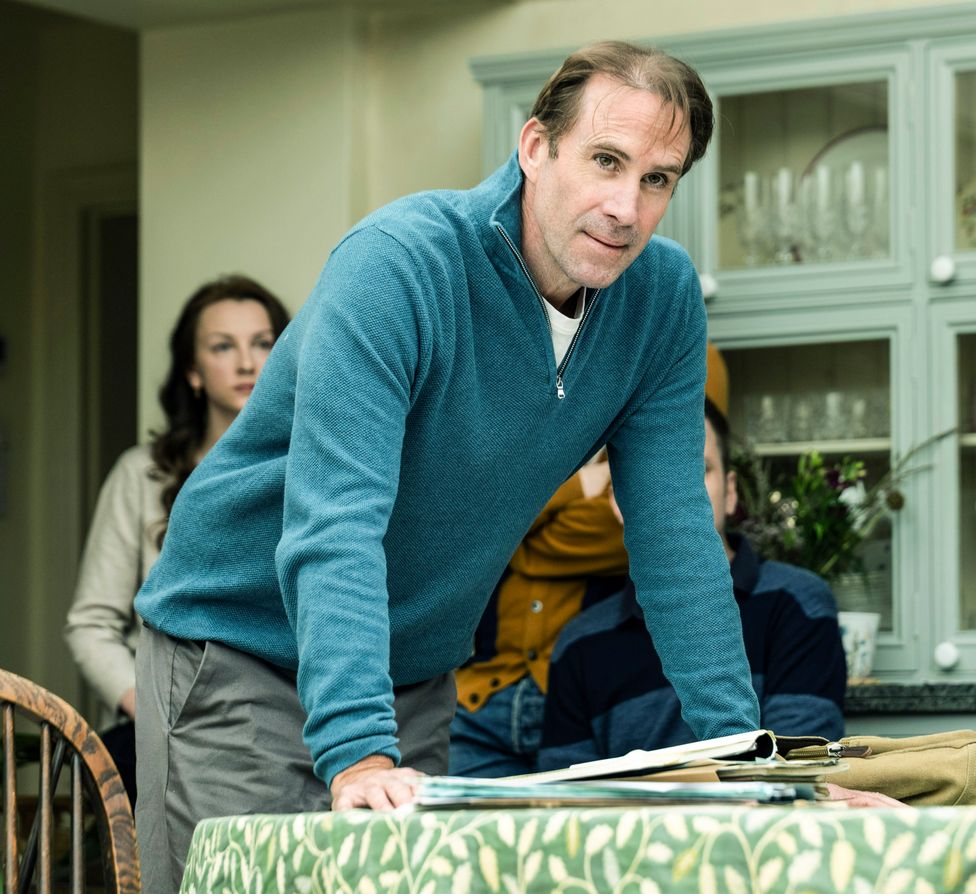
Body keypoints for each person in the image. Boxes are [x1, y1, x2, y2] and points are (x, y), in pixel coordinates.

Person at [133, 41, 762, 891]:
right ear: (535, 147)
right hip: (241, 647)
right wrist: (358, 751)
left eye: (658, 179)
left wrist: (740, 756)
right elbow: (335, 521)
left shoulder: (661, 301)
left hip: (412, 674)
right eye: (606, 161)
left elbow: (676, 532)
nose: (626, 206)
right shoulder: (398, 265)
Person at [450, 343, 730, 777]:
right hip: (481, 697)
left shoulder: (687, 346)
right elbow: (481, 518)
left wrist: (522, 527)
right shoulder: (521, 345)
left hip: (586, 698)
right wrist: (582, 482)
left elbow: (661, 512)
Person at [64, 275, 290, 805]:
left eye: (263, 343)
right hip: (168, 723)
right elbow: (91, 625)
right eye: (222, 347)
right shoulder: (141, 475)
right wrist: (152, 707)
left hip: (285, 722)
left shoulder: (314, 465)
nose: (246, 363)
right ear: (193, 371)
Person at [538, 397, 848, 771]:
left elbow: (799, 766)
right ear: (618, 501)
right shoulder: (579, 643)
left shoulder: (796, 603)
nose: (677, 493)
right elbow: (567, 793)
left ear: (730, 493)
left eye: (697, 469)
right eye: (649, 474)